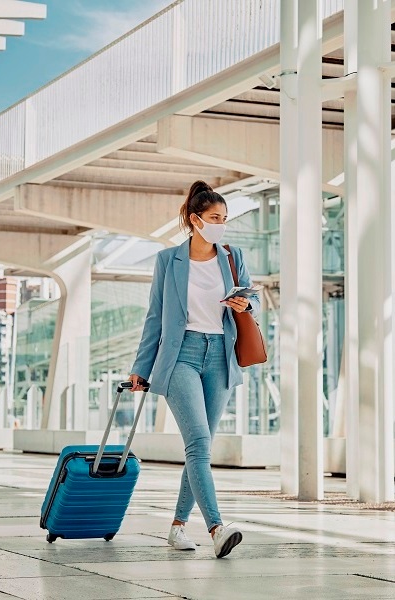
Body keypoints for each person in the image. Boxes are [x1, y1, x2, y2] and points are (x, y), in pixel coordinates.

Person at [128, 180, 260, 559]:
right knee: (199, 442)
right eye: (215, 217)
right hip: (181, 354)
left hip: (219, 354)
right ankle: (217, 528)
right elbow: (155, 316)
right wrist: (141, 367)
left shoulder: (232, 257)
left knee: (198, 447)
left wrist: (244, 306)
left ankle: (177, 527)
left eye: (225, 218)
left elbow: (252, 303)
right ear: (194, 219)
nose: (221, 224)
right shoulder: (168, 260)